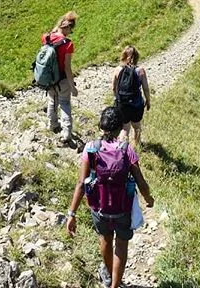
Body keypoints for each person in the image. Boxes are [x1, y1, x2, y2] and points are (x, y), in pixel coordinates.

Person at [66, 106, 154, 288]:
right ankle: (115, 284)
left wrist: (71, 214)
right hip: (122, 208)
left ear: (101, 126)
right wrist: (148, 198)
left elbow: (81, 184)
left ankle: (108, 273)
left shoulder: (90, 149)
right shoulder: (126, 150)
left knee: (105, 239)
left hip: (99, 208)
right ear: (120, 127)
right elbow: (141, 181)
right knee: (121, 245)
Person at [43, 10, 78, 145]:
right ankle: (66, 133)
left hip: (49, 78)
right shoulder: (68, 44)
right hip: (62, 79)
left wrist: (58, 26)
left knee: (52, 100)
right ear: (68, 27)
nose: (70, 33)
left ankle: (52, 124)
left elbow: (52, 33)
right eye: (71, 30)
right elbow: (67, 68)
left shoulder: (46, 37)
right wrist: (73, 87)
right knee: (64, 103)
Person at [113, 46, 150, 147]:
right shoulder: (140, 71)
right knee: (136, 126)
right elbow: (146, 88)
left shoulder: (117, 70)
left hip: (122, 104)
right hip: (137, 104)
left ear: (123, 56)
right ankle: (135, 148)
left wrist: (117, 100)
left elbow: (114, 88)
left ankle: (120, 149)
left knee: (125, 128)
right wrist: (148, 100)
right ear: (137, 57)